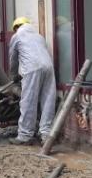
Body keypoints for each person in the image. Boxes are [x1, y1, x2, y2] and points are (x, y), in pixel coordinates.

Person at [7, 16, 56, 145]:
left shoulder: (17, 36)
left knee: (28, 101)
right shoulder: (39, 36)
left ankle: (24, 135)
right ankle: (46, 134)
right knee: (47, 100)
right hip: (48, 67)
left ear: (16, 27)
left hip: (31, 68)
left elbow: (13, 59)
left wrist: (13, 75)